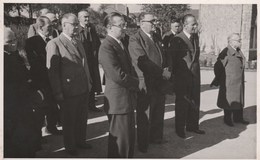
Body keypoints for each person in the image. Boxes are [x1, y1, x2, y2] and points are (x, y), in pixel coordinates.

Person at [46, 13, 92, 156]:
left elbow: (85, 64)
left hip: (82, 87)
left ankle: (80, 141)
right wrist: (58, 93)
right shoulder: (54, 43)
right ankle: (70, 146)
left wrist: (89, 82)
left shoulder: (78, 42)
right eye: (74, 24)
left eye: (78, 24)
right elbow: (52, 72)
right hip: (68, 90)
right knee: (69, 120)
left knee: (81, 118)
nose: (77, 27)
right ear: (63, 25)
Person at [128, 12, 171, 153]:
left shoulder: (156, 37)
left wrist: (166, 68)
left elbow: (163, 55)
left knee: (158, 111)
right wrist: (162, 72)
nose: (155, 24)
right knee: (144, 114)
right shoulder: (135, 39)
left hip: (159, 82)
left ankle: (156, 137)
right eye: (152, 21)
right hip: (146, 82)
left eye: (155, 21)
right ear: (142, 23)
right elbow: (143, 63)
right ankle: (143, 143)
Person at [99, 12, 139, 158]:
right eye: (121, 25)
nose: (125, 27)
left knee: (127, 138)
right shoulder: (107, 46)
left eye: (125, 24)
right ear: (110, 27)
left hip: (125, 99)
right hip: (118, 101)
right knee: (120, 141)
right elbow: (117, 75)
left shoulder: (119, 43)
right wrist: (137, 82)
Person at [4, 26, 44, 157]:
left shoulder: (15, 56)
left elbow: (26, 75)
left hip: (23, 104)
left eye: (14, 39)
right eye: (9, 41)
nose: (14, 43)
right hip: (11, 108)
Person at [168, 14, 205, 139]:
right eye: (193, 24)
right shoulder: (177, 39)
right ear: (185, 25)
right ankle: (180, 129)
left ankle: (192, 126)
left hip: (195, 76)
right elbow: (172, 60)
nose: (195, 26)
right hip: (182, 77)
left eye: (196, 24)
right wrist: (174, 78)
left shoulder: (195, 37)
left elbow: (195, 57)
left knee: (195, 101)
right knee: (182, 104)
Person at [25, 16, 62, 135]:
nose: (52, 29)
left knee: (53, 105)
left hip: (53, 78)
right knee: (42, 108)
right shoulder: (31, 42)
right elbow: (34, 63)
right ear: (40, 27)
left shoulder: (54, 40)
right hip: (41, 80)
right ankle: (38, 136)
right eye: (49, 26)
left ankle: (51, 127)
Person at [211, 33, 249, 127]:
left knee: (238, 100)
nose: (240, 42)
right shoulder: (226, 51)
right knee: (229, 101)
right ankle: (227, 119)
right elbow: (217, 66)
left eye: (240, 40)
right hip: (230, 82)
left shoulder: (238, 50)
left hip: (238, 82)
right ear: (231, 41)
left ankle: (238, 118)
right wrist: (221, 79)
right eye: (238, 40)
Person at [78, 10, 102, 112]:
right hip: (82, 61)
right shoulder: (77, 29)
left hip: (92, 60)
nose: (87, 19)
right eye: (85, 17)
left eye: (88, 17)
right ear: (79, 18)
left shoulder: (92, 28)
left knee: (92, 82)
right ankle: (83, 106)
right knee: (83, 83)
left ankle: (91, 105)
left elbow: (97, 43)